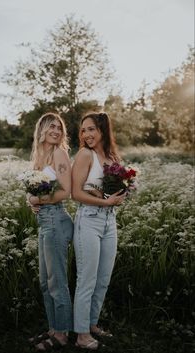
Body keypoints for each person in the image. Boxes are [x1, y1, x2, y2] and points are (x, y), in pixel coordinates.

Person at [71, 112, 126, 350]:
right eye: (84, 130)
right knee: (87, 280)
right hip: (89, 220)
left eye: (91, 129)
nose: (86, 134)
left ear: (103, 130)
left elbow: (112, 190)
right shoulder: (85, 154)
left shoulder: (112, 157)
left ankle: (92, 324)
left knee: (103, 280)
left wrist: (122, 193)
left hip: (109, 221)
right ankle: (81, 335)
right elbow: (76, 194)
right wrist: (105, 202)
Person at [27, 112, 73, 351]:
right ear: (42, 129)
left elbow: (66, 191)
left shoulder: (59, 153)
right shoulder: (40, 156)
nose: (56, 130)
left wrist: (39, 200)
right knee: (46, 283)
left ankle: (63, 334)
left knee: (57, 282)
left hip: (56, 220)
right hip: (45, 222)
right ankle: (53, 328)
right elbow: (35, 189)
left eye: (59, 127)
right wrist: (31, 199)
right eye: (51, 126)